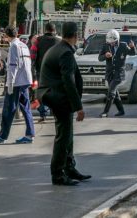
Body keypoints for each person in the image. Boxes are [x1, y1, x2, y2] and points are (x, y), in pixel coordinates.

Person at [36, 22, 91, 186]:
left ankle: (69, 167)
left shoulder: (59, 48)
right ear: (76, 35)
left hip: (53, 95)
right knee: (63, 137)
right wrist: (78, 107)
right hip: (58, 97)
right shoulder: (65, 52)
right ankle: (58, 174)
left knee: (68, 135)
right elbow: (69, 81)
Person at [0, 26, 35, 144]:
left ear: (6, 36)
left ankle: (2, 135)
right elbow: (27, 63)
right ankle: (30, 134)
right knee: (26, 108)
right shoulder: (23, 45)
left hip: (16, 82)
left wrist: (10, 83)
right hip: (25, 80)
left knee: (8, 108)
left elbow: (13, 66)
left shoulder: (13, 46)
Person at [98, 29, 135, 117]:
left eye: (113, 42)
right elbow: (100, 58)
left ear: (117, 40)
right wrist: (105, 56)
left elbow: (133, 53)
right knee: (115, 93)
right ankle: (121, 111)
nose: (111, 44)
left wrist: (133, 47)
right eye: (110, 42)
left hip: (119, 74)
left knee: (111, 93)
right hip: (110, 73)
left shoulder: (123, 45)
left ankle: (105, 112)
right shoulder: (105, 46)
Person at [33, 22, 61, 122]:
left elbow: (33, 55)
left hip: (41, 71)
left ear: (45, 30)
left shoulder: (38, 40)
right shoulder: (59, 40)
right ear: (54, 30)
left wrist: (33, 68)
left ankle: (43, 115)